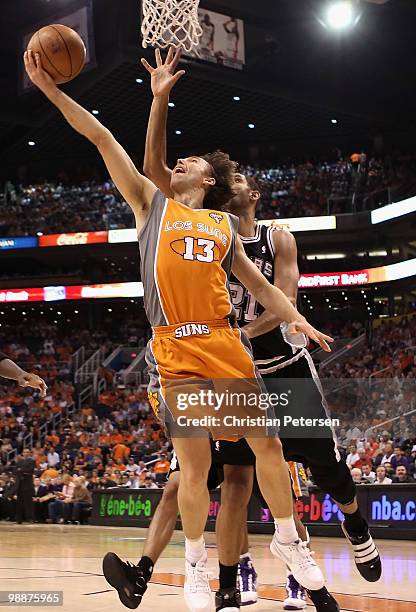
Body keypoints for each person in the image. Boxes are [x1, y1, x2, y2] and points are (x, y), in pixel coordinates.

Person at [25, 47, 333, 612]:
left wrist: (298, 320)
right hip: (174, 348)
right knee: (192, 468)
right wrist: (55, 90)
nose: (179, 162)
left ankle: (290, 542)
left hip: (222, 340)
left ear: (209, 179)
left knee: (266, 444)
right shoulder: (150, 204)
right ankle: (193, 566)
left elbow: (262, 289)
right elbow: (99, 136)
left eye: (190, 161)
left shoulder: (219, 224)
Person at [104, 50, 379, 612]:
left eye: (249, 178)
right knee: (220, 479)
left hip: (279, 369)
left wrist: (233, 329)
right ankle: (221, 581)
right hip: (224, 363)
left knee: (323, 464)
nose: (249, 182)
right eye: (242, 177)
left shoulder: (273, 234)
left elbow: (282, 303)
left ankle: (355, 527)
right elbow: (157, 174)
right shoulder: (201, 223)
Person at [15, 448, 35, 523]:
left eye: (27, 452)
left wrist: (21, 470)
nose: (26, 453)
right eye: (24, 452)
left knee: (28, 502)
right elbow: (15, 470)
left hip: (28, 484)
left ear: (29, 453)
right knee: (19, 502)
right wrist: (21, 471)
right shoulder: (19, 461)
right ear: (22, 453)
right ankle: (19, 519)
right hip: (20, 483)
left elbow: (31, 470)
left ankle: (30, 518)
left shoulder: (31, 461)